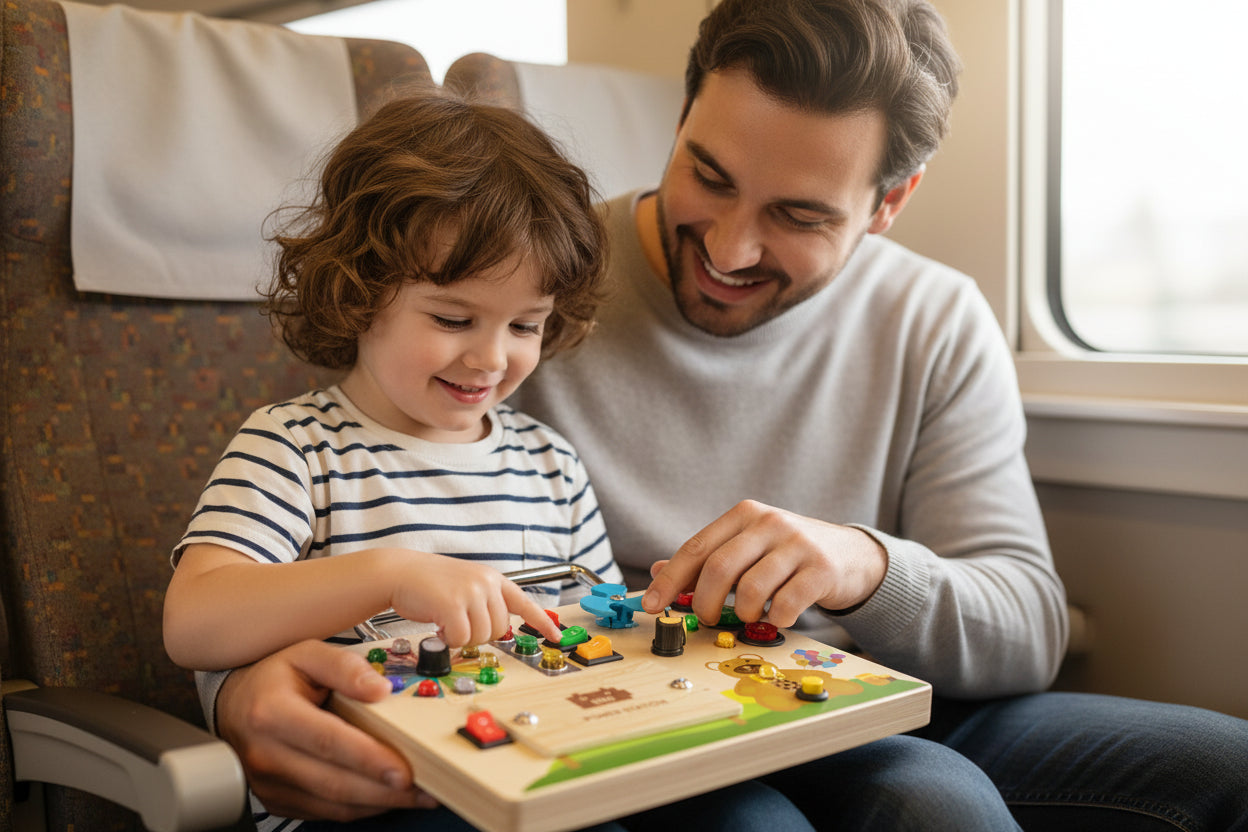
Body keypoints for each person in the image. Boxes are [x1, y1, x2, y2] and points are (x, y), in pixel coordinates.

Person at [196, 2, 1248, 830]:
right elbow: (347, 495)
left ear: (890, 201)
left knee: (1220, 769)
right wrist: (238, 694)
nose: (733, 248)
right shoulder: (528, 286)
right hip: (643, 719)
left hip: (874, 696)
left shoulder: (934, 315)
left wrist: (862, 565)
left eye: (797, 214)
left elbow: (1026, 622)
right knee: (917, 803)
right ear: (684, 115)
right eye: (708, 174)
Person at [165, 91, 817, 832]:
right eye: (452, 318)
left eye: (526, 325)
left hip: (551, 767)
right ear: (360, 288)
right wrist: (392, 574)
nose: (491, 357)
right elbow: (193, 620)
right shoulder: (295, 448)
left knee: (760, 821)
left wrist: (671, 617)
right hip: (377, 800)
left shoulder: (550, 462)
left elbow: (594, 629)